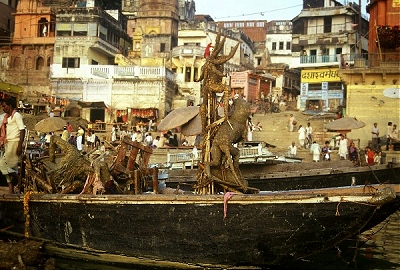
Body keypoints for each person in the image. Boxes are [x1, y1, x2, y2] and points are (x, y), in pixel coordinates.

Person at [0, 98, 26, 193]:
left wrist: (20, 145)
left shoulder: (17, 115)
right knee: (9, 167)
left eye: (4, 106)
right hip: (8, 142)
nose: (3, 108)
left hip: (15, 142)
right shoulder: (6, 118)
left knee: (3, 166)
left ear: (10, 105)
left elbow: (22, 130)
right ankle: (11, 188)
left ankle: (19, 179)